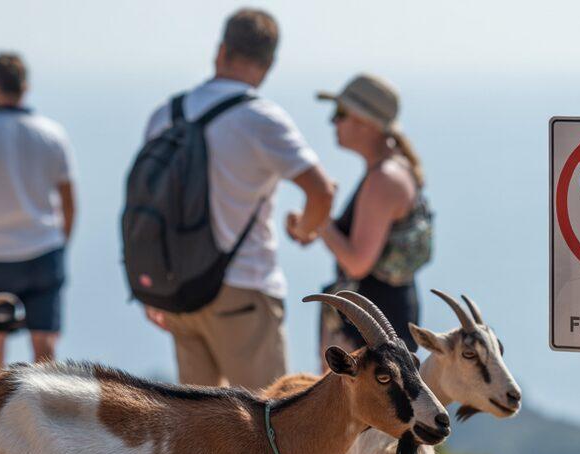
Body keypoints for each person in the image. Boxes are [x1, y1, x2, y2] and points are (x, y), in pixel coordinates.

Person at [141, 8, 334, 391]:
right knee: (271, 427)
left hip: (179, 290)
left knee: (198, 433)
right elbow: (321, 192)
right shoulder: (261, 119)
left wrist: (152, 287)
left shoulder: (167, 114)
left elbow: (149, 205)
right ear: (268, 65)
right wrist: (304, 229)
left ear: (221, 50)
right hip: (243, 289)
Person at [0, 52, 76, 375]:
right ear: (26, 87)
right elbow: (69, 199)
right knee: (45, 345)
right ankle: (47, 420)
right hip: (44, 248)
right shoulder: (53, 133)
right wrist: (61, 244)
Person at [315, 73, 430, 353]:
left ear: (366, 122)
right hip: (381, 320)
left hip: (373, 332)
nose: (333, 121)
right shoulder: (389, 170)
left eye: (341, 113)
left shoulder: (384, 180)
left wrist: (318, 218)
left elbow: (357, 263)